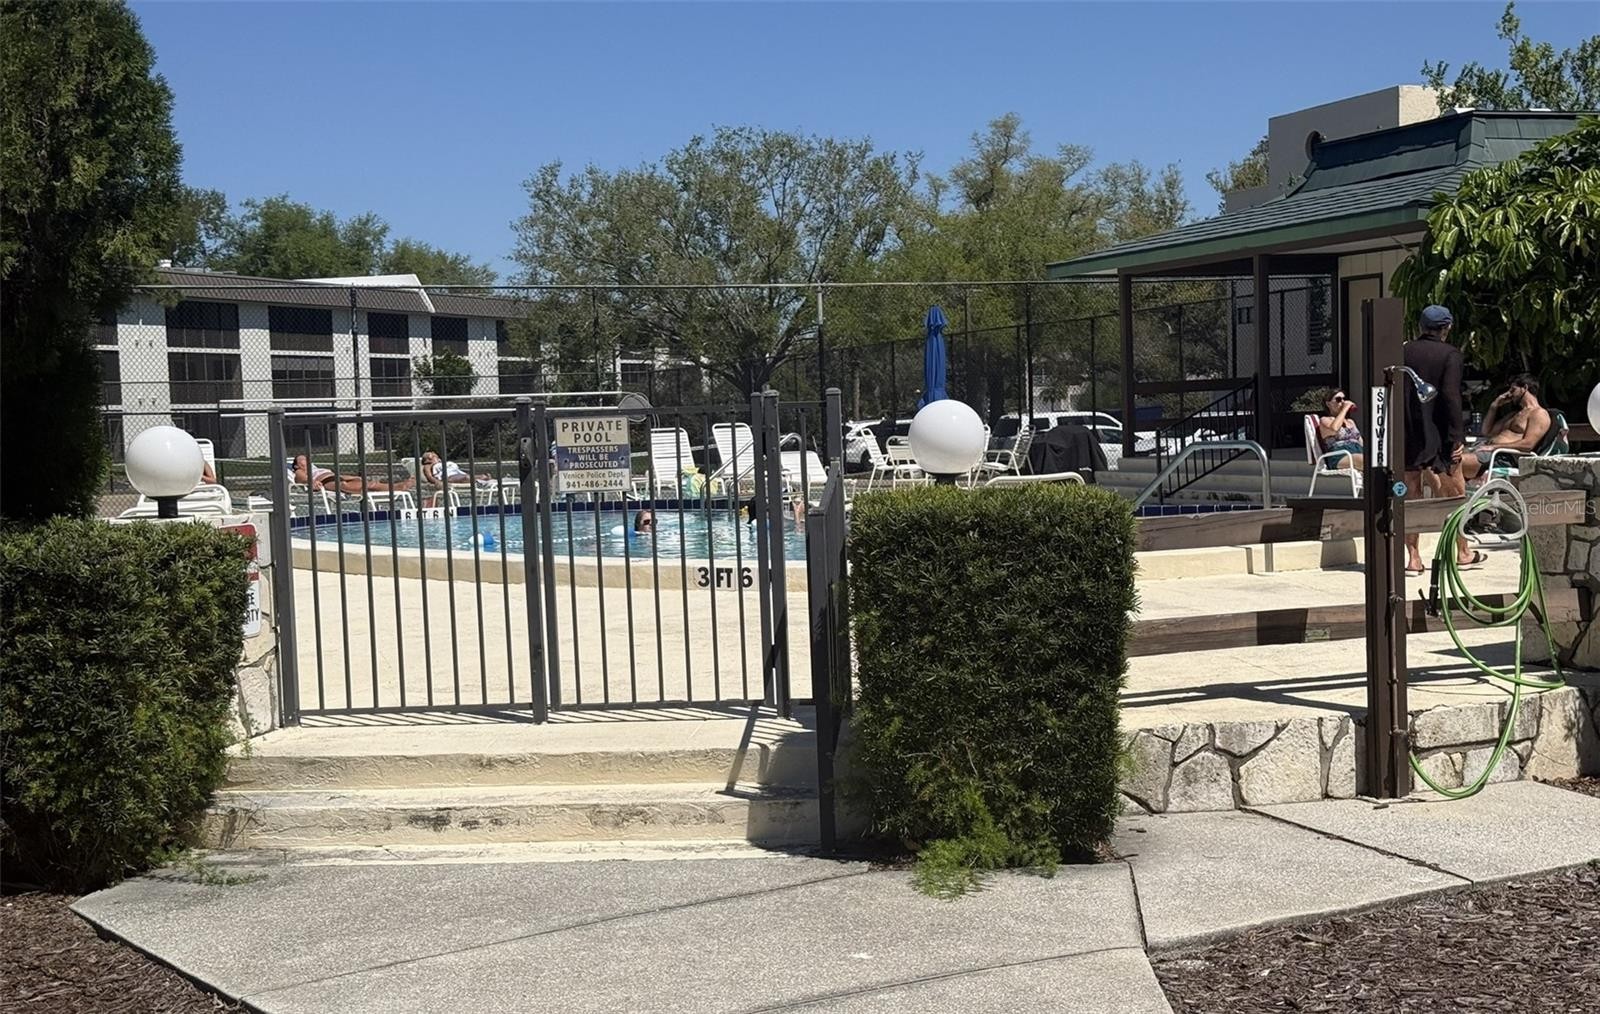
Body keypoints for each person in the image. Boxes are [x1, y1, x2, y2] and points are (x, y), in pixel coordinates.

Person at [1402, 305, 1482, 574]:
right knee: (1455, 491)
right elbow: (1450, 397)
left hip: (1408, 430)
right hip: (1438, 432)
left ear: (1420, 327)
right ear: (1446, 328)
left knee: (1410, 492)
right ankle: (1463, 551)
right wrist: (1457, 437)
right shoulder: (1450, 354)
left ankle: (1413, 558)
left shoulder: (1403, 352)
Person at [1461, 374, 1551, 480]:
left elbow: (1528, 444)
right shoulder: (1514, 415)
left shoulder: (1539, 414)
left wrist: (1494, 447)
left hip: (1502, 456)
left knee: (1454, 463)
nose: (1509, 394)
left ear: (1524, 388)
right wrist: (1494, 406)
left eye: (1513, 389)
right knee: (1448, 459)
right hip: (1487, 450)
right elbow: (1486, 431)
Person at [292, 454, 412, 496]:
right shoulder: (299, 471)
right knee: (345, 485)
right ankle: (397, 487)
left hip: (336, 477)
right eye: (302, 459)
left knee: (369, 484)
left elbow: (337, 474)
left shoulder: (316, 468)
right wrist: (312, 483)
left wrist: (354, 477)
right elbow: (302, 479)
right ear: (297, 465)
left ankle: (397, 487)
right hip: (325, 482)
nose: (306, 459)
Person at [1314, 388, 1364, 471]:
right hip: (1339, 455)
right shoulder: (1325, 420)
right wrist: (1345, 409)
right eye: (1338, 399)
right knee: (1364, 461)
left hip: (1357, 451)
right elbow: (1334, 429)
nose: (1343, 402)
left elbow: (1361, 442)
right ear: (1328, 404)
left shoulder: (1351, 422)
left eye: (1344, 399)